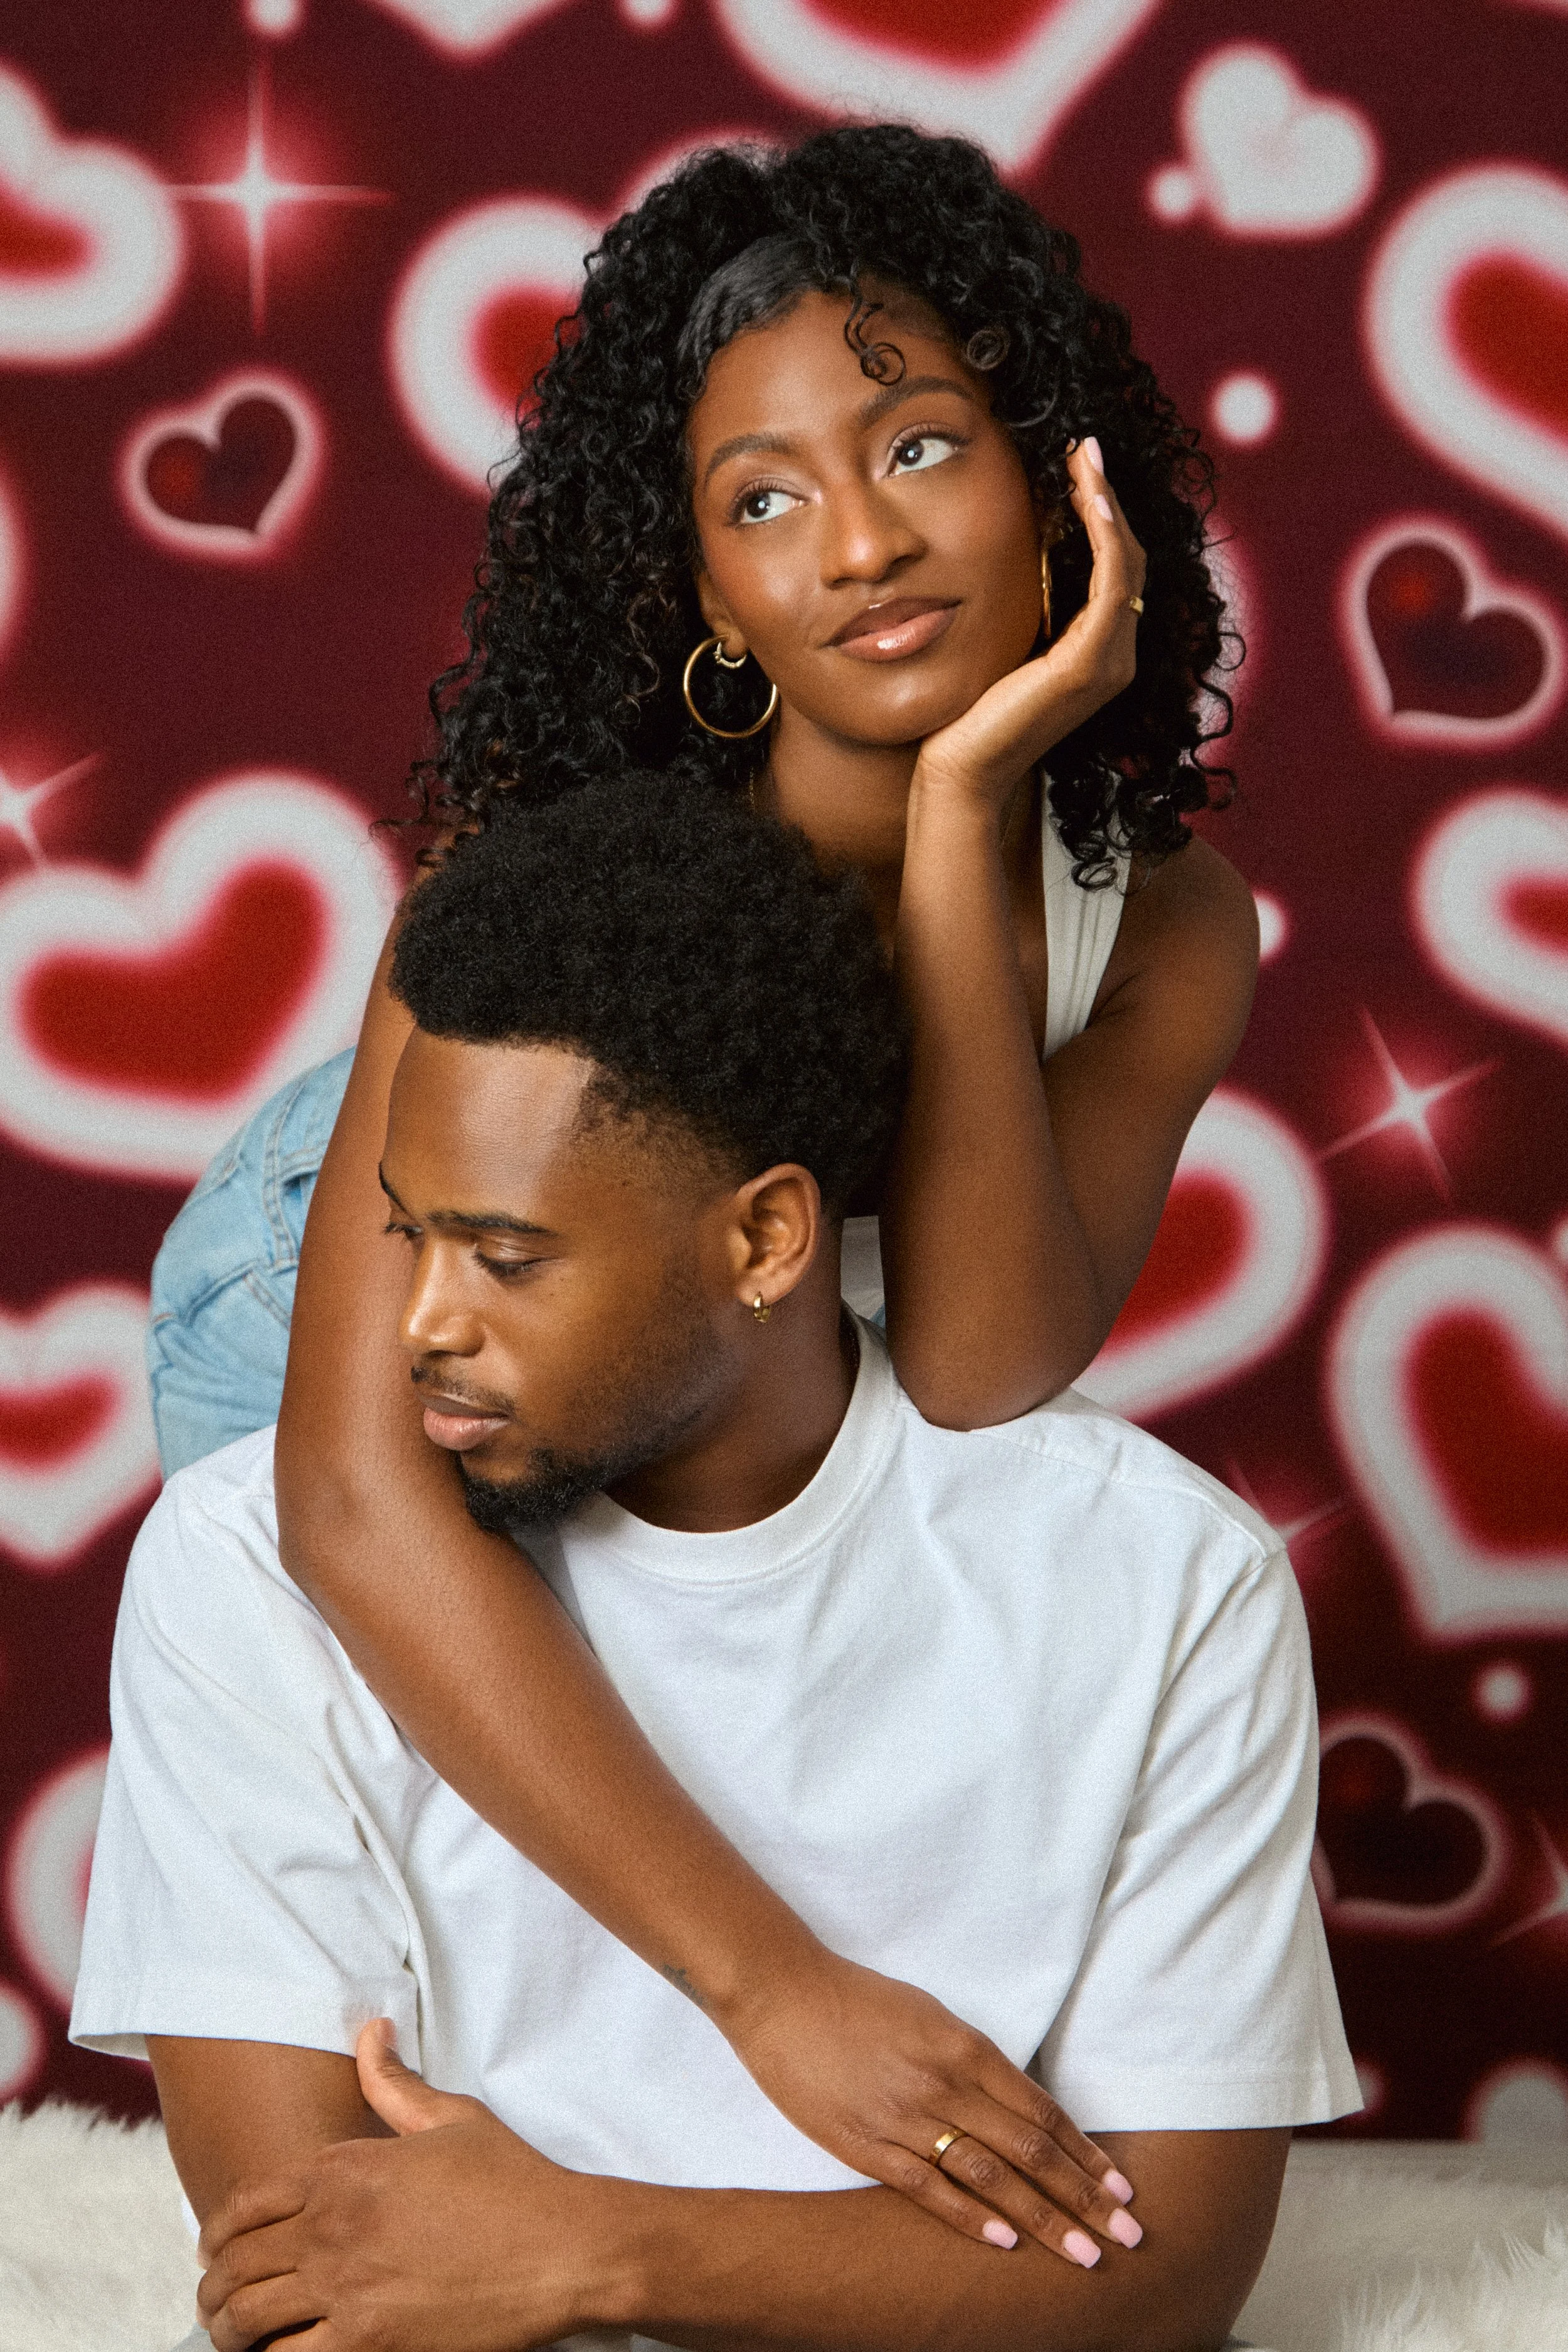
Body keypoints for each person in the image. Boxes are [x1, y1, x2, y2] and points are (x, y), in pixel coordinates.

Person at [144, 125, 1263, 2238]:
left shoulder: (1168, 924)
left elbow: (977, 1354)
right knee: (430, 1785)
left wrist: (960, 825)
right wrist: (770, 1992)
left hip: (750, 1343)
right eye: (763, 500)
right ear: (706, 592)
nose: (855, 545)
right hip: (357, 1266)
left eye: (920, 448)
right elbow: (356, 1506)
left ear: (1059, 471)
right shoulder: (567, 866)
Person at [79, 783, 1353, 2352]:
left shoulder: (1162, 1584)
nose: (413, 1326)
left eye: (508, 1256)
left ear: (763, 1243)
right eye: (403, 1237)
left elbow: (1168, 2283)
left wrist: (597, 2251)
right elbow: (308, 2281)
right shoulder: (236, 1570)